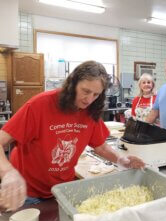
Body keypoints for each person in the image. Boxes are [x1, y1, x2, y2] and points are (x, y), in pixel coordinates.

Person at [0, 61, 145, 212]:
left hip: (63, 189)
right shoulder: (40, 105)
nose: (89, 99)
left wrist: (121, 159)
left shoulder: (91, 111)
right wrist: (7, 172)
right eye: (85, 91)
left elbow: (101, 146)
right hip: (27, 192)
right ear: (72, 84)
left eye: (96, 94)